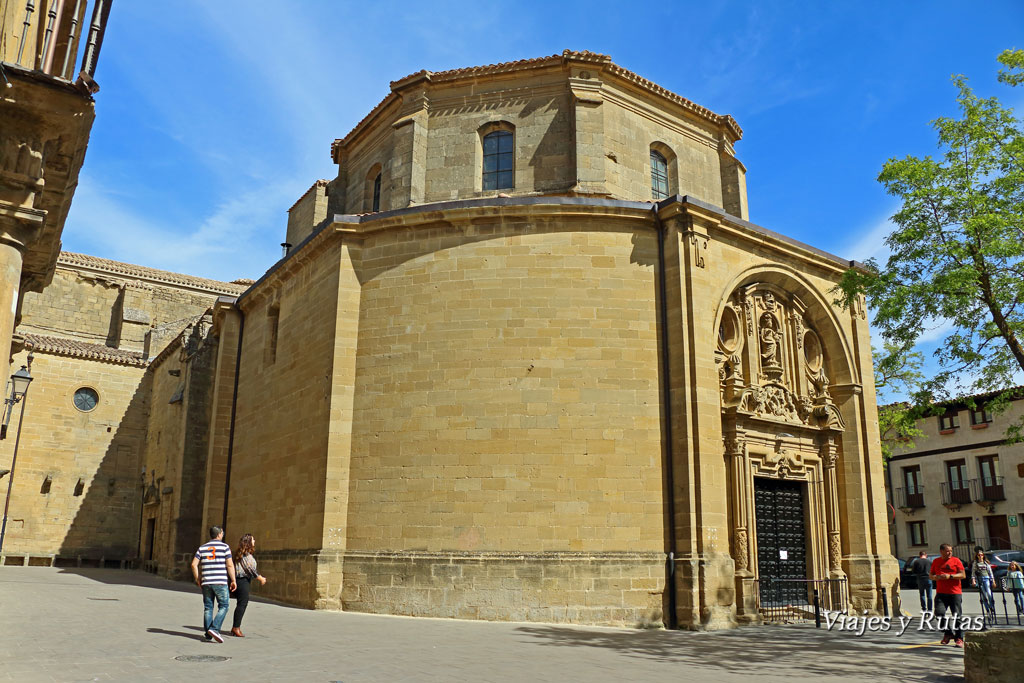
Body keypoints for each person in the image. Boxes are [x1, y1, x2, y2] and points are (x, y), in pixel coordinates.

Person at [190, 526, 237, 643]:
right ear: (220, 534)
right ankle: (215, 629)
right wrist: (233, 580)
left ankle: (208, 633)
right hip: (220, 581)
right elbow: (230, 565)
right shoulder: (225, 547)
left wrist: (198, 579)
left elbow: (193, 564)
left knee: (208, 607)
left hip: (206, 581)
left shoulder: (202, 548)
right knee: (224, 606)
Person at [229, 533, 267, 638]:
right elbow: (250, 569)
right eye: (253, 540)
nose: (255, 541)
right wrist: (260, 578)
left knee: (241, 603)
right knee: (242, 604)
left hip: (240, 581)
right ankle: (236, 628)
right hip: (242, 581)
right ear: (249, 542)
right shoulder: (246, 555)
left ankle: (235, 627)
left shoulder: (242, 553)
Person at [930, 543, 967, 647]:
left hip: (955, 592)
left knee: (957, 616)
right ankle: (948, 633)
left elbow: (963, 575)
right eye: (947, 551)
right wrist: (935, 577)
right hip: (941, 593)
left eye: (951, 551)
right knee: (939, 613)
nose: (950, 553)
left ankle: (959, 638)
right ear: (941, 551)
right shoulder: (936, 561)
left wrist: (950, 576)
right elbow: (931, 575)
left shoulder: (956, 561)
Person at [970, 549, 996, 616]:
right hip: (980, 579)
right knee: (984, 595)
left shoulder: (986, 563)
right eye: (979, 555)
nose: (980, 556)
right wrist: (973, 580)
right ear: (977, 556)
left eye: (981, 555)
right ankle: (987, 609)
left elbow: (990, 572)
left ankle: (991, 606)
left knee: (989, 593)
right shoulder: (975, 563)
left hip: (986, 578)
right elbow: (973, 573)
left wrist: (993, 581)